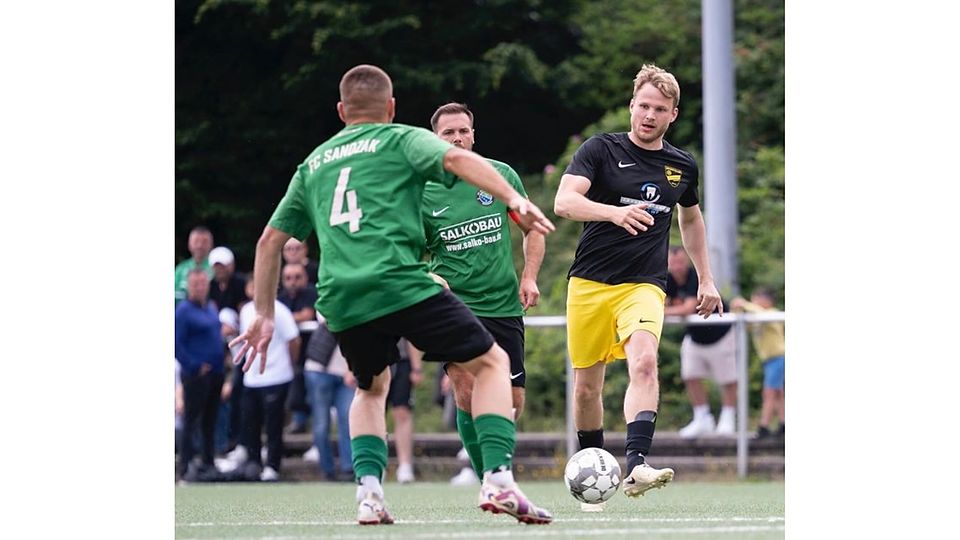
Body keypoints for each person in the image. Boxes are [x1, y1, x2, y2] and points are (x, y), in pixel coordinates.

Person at [230, 64, 555, 525]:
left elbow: (268, 243)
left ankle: (369, 496)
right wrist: (515, 198)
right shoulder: (400, 139)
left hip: (341, 296)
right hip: (399, 282)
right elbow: (457, 160)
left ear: (341, 111)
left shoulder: (315, 163)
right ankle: (499, 481)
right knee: (492, 364)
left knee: (370, 388)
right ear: (392, 108)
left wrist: (263, 313)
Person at [553, 64, 722, 510]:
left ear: (673, 115)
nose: (649, 115)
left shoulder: (681, 165)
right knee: (588, 386)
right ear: (632, 106)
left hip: (644, 283)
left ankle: (637, 463)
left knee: (644, 361)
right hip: (589, 282)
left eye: (659, 109)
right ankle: (591, 466)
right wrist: (613, 213)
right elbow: (564, 202)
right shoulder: (600, 150)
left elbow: (690, 218)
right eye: (643, 106)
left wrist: (706, 277)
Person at [421, 102, 545, 487]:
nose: (457, 138)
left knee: (512, 403)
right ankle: (492, 480)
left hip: (504, 304)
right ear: (435, 140)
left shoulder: (499, 175)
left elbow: (533, 228)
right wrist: (428, 277)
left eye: (463, 131)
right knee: (466, 390)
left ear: (473, 134)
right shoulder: (423, 191)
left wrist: (529, 277)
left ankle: (496, 471)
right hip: (455, 306)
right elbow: (402, 252)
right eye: (448, 133)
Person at [665, 246, 737, 438]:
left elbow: (688, 308)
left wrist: (663, 312)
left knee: (728, 378)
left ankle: (728, 417)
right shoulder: (667, 280)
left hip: (720, 332)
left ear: (686, 262)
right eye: (673, 263)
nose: (677, 267)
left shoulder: (694, 277)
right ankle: (702, 417)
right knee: (690, 375)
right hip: (695, 336)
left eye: (680, 262)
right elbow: (659, 301)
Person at [238, 276, 301, 481]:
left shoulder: (280, 310)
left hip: (276, 376)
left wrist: (289, 365)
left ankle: (273, 466)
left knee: (273, 425)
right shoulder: (245, 311)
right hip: (251, 378)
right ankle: (254, 463)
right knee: (250, 424)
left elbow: (294, 340)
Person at [175, 267, 227, 482]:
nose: (200, 287)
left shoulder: (211, 308)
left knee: (210, 421)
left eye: (203, 283)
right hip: (197, 375)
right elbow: (175, 343)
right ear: (189, 286)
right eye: (195, 284)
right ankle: (185, 466)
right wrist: (194, 365)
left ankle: (208, 463)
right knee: (192, 421)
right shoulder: (183, 310)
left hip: (216, 373)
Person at [303, 315, 356, 482]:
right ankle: (327, 470)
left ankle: (348, 470)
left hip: (347, 374)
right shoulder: (328, 296)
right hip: (319, 370)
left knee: (347, 420)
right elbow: (329, 319)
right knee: (321, 423)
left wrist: (354, 367)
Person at [731, 287, 785, 439]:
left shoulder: (772, 314)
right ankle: (783, 423)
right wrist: (739, 310)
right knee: (778, 393)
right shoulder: (757, 317)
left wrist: (745, 304)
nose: (753, 302)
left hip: (778, 358)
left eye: (756, 299)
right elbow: (743, 324)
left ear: (766, 300)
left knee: (769, 393)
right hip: (770, 360)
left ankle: (764, 426)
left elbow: (757, 312)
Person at [278, 262, 318, 434]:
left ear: (305, 278)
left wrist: (286, 318)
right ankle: (298, 422)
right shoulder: (281, 297)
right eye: (288, 278)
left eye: (297, 277)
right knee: (294, 393)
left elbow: (307, 314)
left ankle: (309, 426)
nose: (292, 281)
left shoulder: (311, 292)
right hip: (289, 354)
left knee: (312, 393)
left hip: (313, 353)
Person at [386, 339, 422, 484]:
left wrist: (416, 367)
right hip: (375, 357)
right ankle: (375, 465)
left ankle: (405, 465)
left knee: (402, 412)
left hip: (402, 361)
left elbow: (411, 334)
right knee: (374, 411)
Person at [174, 226, 214, 303]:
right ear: (189, 244)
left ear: (211, 245)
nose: (200, 246)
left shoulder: (215, 268)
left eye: (204, 242)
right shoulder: (180, 269)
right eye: (196, 241)